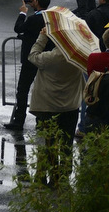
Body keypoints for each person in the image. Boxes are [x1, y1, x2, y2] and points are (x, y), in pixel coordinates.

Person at [28, 26, 84, 186]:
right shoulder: (78, 57)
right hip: (70, 106)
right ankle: (63, 175)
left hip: (48, 106)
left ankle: (43, 173)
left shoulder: (52, 57)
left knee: (47, 142)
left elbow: (32, 56)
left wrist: (42, 37)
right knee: (66, 142)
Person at [7, 0, 49, 131]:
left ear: (37, 1)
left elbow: (18, 28)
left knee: (23, 90)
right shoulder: (49, 18)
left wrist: (23, 13)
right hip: (44, 59)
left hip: (30, 59)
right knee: (42, 90)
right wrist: (36, 6)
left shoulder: (32, 20)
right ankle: (42, 121)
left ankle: (19, 120)